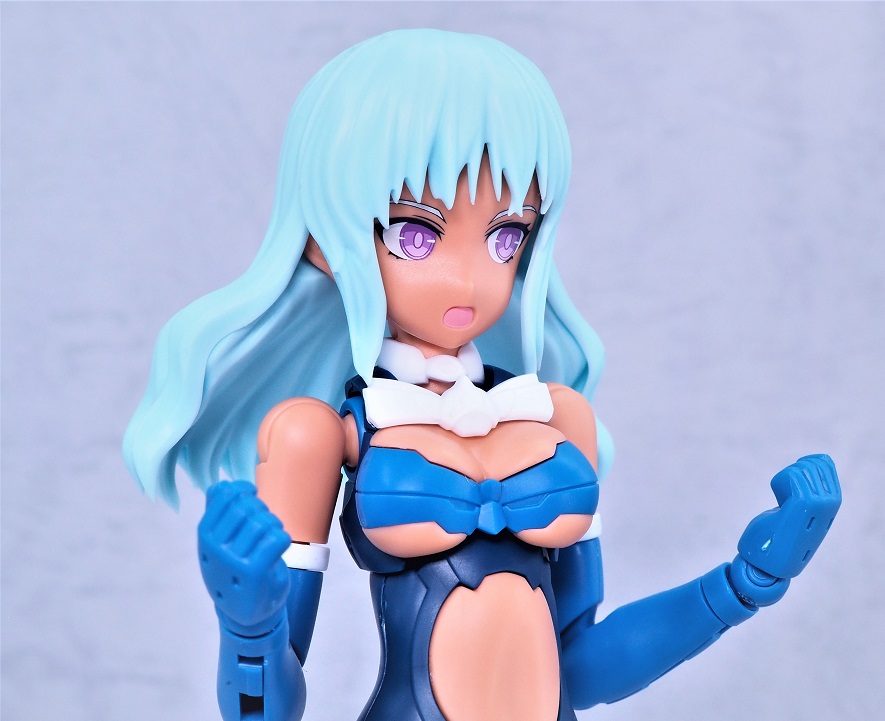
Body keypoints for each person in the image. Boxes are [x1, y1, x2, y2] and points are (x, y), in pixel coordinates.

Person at [123, 29, 841, 721]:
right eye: (416, 234)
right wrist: (249, 625)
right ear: (325, 240)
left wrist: (742, 583)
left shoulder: (555, 415)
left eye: (505, 236)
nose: (468, 277)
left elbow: (582, 666)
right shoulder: (319, 434)